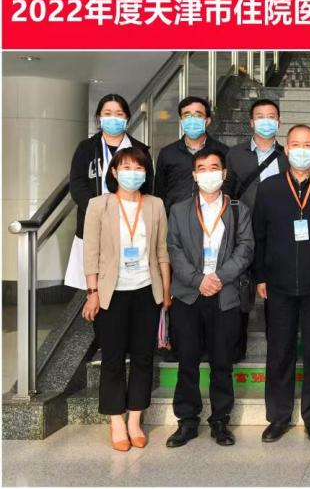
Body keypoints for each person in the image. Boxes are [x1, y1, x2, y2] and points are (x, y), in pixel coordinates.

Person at [252, 125, 310, 443]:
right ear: (286, 149)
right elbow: (259, 236)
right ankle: (278, 417)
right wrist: (260, 276)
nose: (302, 150)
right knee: (279, 351)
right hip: (277, 285)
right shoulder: (269, 188)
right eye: (295, 144)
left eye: (308, 145)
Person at [80, 146, 170, 452]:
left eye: (139, 168)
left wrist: (165, 293)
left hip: (147, 291)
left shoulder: (155, 204)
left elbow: (162, 252)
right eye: (126, 167)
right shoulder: (98, 205)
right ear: (115, 172)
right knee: (113, 358)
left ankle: (135, 419)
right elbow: (91, 252)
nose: (133, 173)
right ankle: (116, 420)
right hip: (111, 294)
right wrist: (92, 292)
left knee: (144, 358)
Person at [165, 148, 254, 448]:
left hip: (224, 295)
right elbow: (174, 249)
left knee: (222, 361)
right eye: (201, 168)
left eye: (214, 167)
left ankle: (220, 420)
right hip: (188, 296)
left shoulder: (238, 209)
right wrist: (198, 280)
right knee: (187, 361)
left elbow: (245, 248)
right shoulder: (179, 210)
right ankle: (187, 421)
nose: (208, 173)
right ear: (194, 175)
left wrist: (218, 277)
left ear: (224, 173)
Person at [222, 99, 289, 363]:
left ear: (279, 121)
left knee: (275, 293)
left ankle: (277, 348)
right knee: (241, 289)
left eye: (271, 116)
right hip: (243, 230)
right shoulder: (235, 154)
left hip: (278, 234)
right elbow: (226, 193)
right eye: (260, 116)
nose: (266, 121)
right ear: (251, 122)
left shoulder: (287, 155)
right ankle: (235, 348)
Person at [66, 94, 153, 291]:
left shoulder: (140, 150)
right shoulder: (86, 148)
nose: (113, 118)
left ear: (127, 118)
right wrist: (99, 210)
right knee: (95, 283)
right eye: (108, 113)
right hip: (94, 221)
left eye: (119, 114)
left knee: (127, 281)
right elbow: (77, 185)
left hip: (131, 224)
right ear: (99, 117)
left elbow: (148, 187)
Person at [154, 96, 229, 214]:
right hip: (176, 218)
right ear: (181, 120)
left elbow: (229, 188)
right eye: (187, 115)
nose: (192, 120)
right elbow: (159, 192)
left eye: (198, 115)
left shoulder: (223, 152)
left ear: (207, 121)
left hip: (214, 217)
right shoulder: (167, 153)